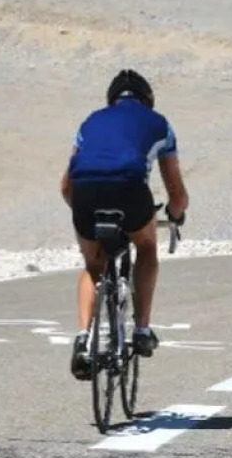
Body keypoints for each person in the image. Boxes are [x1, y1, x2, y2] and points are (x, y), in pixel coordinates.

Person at [60, 68, 189, 380]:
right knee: (146, 247)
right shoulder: (160, 124)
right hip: (130, 189)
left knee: (93, 265)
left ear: (111, 100)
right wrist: (175, 214)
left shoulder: (90, 121)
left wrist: (82, 213)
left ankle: (83, 340)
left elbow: (65, 186)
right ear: (148, 100)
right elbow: (176, 191)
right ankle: (142, 329)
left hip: (85, 192)